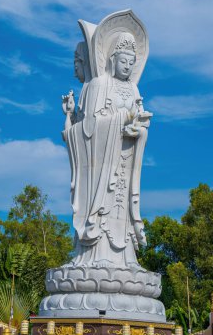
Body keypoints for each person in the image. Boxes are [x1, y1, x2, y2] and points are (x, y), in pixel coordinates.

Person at [62, 32, 151, 269]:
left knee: (122, 211)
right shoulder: (99, 85)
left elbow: (138, 120)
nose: (128, 68)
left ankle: (125, 258)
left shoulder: (133, 88)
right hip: (101, 174)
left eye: (132, 63)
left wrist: (139, 129)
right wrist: (120, 119)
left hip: (124, 162)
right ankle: (93, 255)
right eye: (124, 62)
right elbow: (87, 130)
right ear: (112, 59)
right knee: (103, 213)